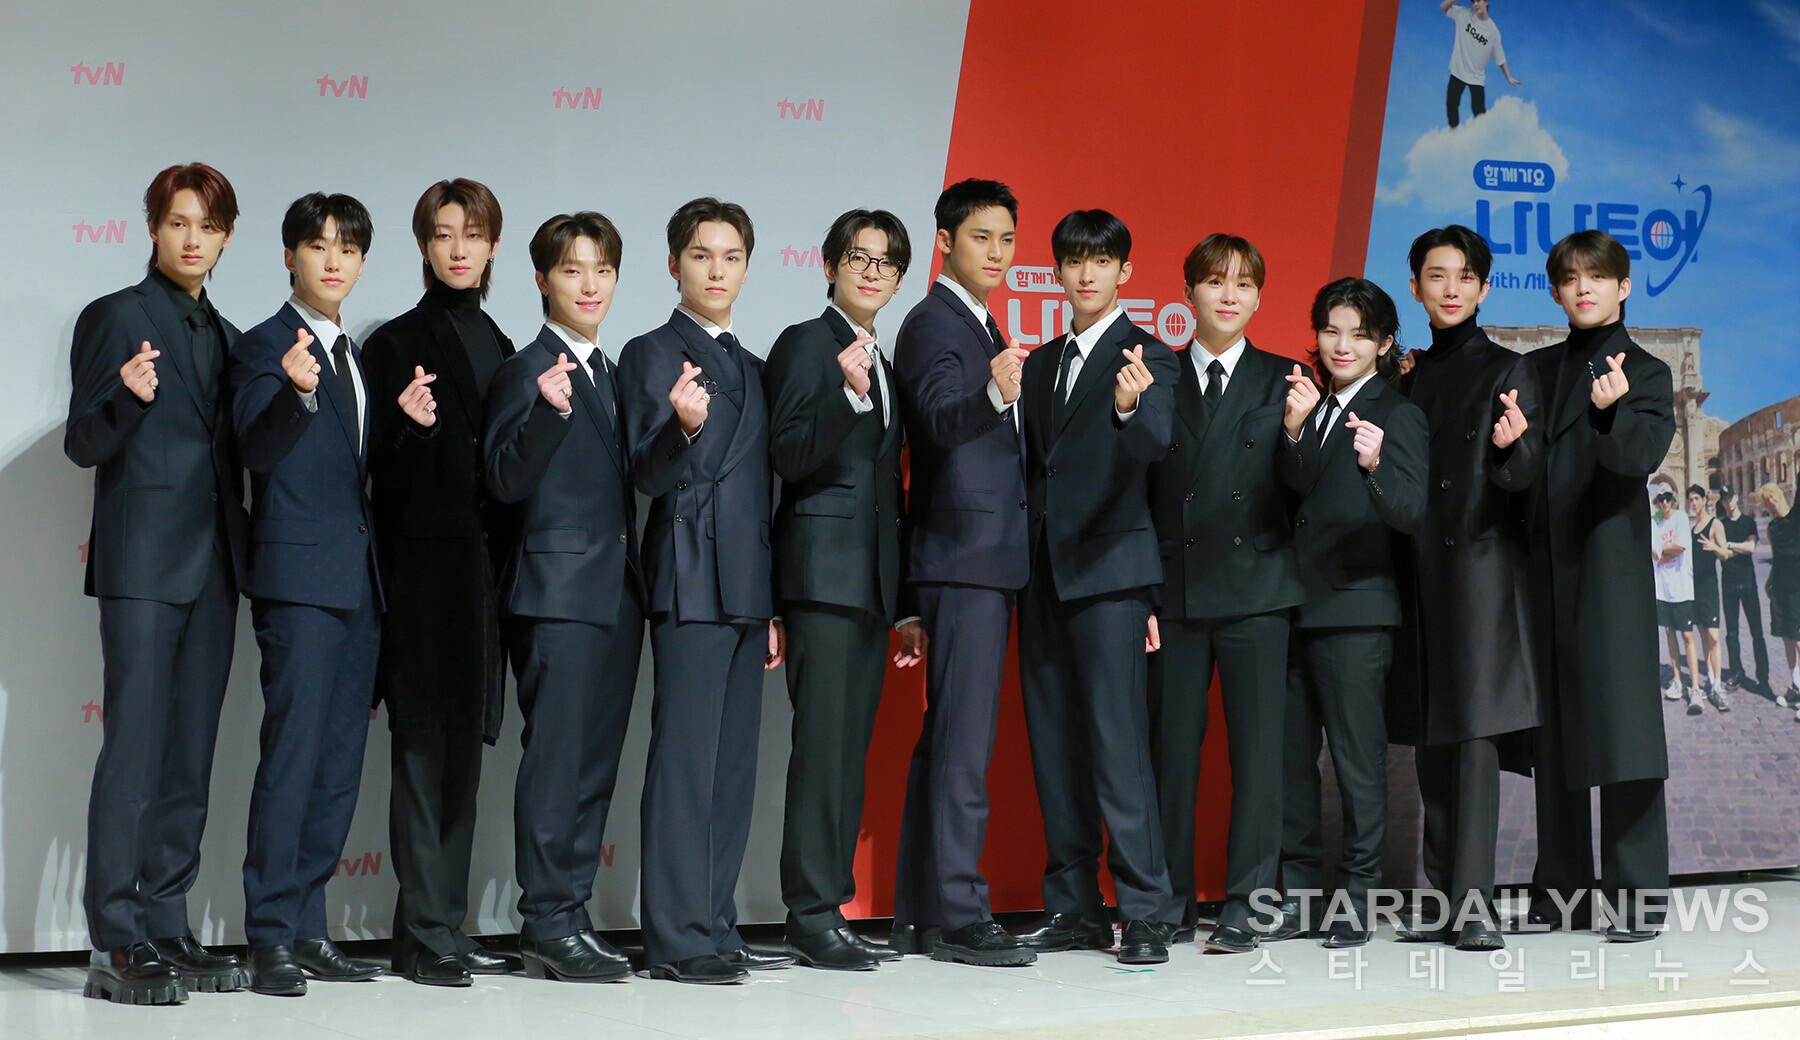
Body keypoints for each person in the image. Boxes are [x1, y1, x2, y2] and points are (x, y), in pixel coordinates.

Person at [66, 163, 251, 1004]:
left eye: (207, 226)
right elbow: (82, 443)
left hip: (215, 568)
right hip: (142, 564)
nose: (192, 239)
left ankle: (167, 921)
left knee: (188, 754)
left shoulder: (230, 334)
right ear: (152, 228)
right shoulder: (116, 316)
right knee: (135, 749)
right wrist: (128, 400)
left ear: (226, 237)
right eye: (178, 222)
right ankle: (115, 936)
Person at [231, 193, 416, 994]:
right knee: (294, 757)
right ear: (289, 256)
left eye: (348, 248)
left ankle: (309, 925)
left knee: (339, 764)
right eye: (318, 245)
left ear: (363, 262)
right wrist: (295, 393)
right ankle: (270, 934)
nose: (333, 260)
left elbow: (357, 474)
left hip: (357, 584)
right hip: (298, 582)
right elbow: (255, 449)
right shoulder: (264, 345)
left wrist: (402, 426)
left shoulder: (358, 357)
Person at [616, 197, 791, 985]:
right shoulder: (650, 353)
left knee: (732, 769)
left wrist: (772, 602)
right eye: (700, 255)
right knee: (686, 763)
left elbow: (764, 493)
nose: (716, 270)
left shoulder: (755, 367)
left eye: (731, 256)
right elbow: (643, 474)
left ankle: (716, 923)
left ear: (747, 268)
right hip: (687, 574)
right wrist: (680, 429)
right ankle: (676, 936)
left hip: (747, 584)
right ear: (673, 264)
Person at [1014, 210, 1182, 964]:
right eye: (1075, 261)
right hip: (1041, 577)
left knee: (1118, 746)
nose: (1087, 273)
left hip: (1112, 578)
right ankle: (1074, 906)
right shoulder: (1041, 363)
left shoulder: (1151, 355)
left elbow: (1156, 448)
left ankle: (1146, 911)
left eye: (1102, 261)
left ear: (1125, 272)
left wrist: (1128, 406)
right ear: (1057, 271)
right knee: (1053, 747)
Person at [362, 178, 518, 986]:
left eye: (474, 234)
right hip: (423, 580)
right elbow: (370, 473)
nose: (460, 249)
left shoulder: (502, 340)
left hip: (485, 580)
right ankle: (427, 934)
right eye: (445, 234)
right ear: (424, 245)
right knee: (424, 754)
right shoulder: (394, 342)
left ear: (493, 246)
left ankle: (439, 924)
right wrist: (407, 428)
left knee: (465, 757)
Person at [484, 211, 645, 983]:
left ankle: (570, 914)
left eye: (602, 270)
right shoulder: (527, 370)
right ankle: (546, 922)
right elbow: (503, 479)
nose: (590, 285)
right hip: (555, 595)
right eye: (573, 269)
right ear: (543, 278)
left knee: (593, 766)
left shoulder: (608, 371)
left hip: (613, 595)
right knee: (557, 765)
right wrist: (548, 415)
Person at [764, 208, 925, 971]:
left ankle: (828, 905)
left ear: (898, 280)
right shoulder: (805, 343)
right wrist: (847, 395)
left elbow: (889, 493)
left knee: (846, 754)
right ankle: (810, 913)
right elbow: (788, 454)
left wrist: (904, 601)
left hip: (869, 586)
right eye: (858, 257)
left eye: (886, 262)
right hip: (821, 579)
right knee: (823, 752)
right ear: (829, 266)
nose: (871, 271)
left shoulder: (883, 362)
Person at [889, 178, 1036, 967]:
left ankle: (924, 914)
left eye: (1007, 238)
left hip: (976, 558)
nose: (999, 252)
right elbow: (940, 421)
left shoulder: (976, 320)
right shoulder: (932, 323)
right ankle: (958, 914)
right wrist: (993, 392)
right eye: (983, 236)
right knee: (962, 746)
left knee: (949, 740)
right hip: (964, 559)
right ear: (945, 242)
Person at [1145, 233, 1304, 954]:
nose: (1229, 295)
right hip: (1175, 592)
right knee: (1171, 755)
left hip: (1258, 591)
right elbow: (1138, 486)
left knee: (1259, 759)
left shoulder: (1287, 379)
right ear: (1188, 293)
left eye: (1243, 282)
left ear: (1260, 297)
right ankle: (1170, 901)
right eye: (1215, 281)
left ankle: (1247, 902)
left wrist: (1299, 435)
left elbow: (1309, 490)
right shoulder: (1156, 374)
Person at [1389, 224, 1542, 952]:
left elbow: (1528, 478)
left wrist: (1514, 452)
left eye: (1463, 277)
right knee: (1432, 739)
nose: (1450, 289)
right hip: (1418, 573)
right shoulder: (1407, 378)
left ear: (1483, 288)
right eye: (1436, 275)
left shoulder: (1510, 370)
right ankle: (1443, 896)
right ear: (1415, 287)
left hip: (1480, 573)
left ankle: (1474, 905)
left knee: (1474, 740)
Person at [1521, 229, 1676, 942]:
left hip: (1609, 572)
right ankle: (1561, 892)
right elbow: (1518, 466)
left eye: (1597, 276)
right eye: (1570, 278)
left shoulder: (1645, 371)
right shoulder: (1536, 369)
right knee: (1552, 739)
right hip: (1542, 570)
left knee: (1624, 732)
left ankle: (1637, 897)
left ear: (1623, 287)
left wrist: (1611, 412)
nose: (1583, 287)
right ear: (1557, 291)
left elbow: (1640, 456)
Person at [1276, 278, 1427, 949]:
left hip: (1358, 613)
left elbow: (1410, 512)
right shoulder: (1305, 404)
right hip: (1289, 608)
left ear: (1384, 344)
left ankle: (1358, 901)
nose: (1342, 345)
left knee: (1358, 765)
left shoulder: (1399, 414)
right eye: (1331, 331)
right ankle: (1299, 898)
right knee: (1290, 764)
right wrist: (1292, 432)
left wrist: (1374, 465)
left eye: (1359, 335)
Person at [1651, 489, 1703, 716]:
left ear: (1673, 500)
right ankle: (1678, 679)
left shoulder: (1681, 518)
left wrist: (1660, 552)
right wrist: (1661, 554)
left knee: (1688, 636)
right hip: (1664, 589)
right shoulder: (1657, 525)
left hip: (1681, 588)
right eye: (1660, 500)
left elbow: (1678, 548)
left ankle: (1696, 687)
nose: (1664, 503)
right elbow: (1656, 554)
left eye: (1667, 499)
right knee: (1669, 633)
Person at [1717, 486, 1769, 695]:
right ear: (1722, 502)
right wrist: (1738, 547)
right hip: (1728, 583)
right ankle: (1736, 672)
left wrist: (1729, 544)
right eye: (1724, 499)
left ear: (1736, 498)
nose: (1728, 501)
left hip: (1748, 582)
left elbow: (1751, 547)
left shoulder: (1748, 521)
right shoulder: (1720, 524)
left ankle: (1763, 677)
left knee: (1757, 632)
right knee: (1731, 633)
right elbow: (1722, 554)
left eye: (1730, 497)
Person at [1441, 0, 1520, 128]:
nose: (1476, 4)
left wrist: (1508, 77)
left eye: (1479, 0)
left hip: (1476, 77)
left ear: (1486, 2)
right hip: (1458, 71)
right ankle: (1453, 132)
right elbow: (1443, 7)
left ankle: (1482, 137)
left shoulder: (1493, 31)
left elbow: (1500, 57)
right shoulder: (1463, 14)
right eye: (1473, 1)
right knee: (1451, 104)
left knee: (1479, 114)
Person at [1688, 484, 1730, 711]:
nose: (1694, 503)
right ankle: (1712, 680)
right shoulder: (1693, 528)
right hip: (1694, 589)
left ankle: (1718, 685)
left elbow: (1726, 554)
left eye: (1697, 498)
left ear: (1705, 500)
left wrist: (1714, 546)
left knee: (1714, 637)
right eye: (1691, 500)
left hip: (1709, 587)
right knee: (1703, 634)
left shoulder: (1715, 524)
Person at [1761, 483, 1800, 719]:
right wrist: (1769, 581)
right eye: (1767, 501)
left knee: (1799, 640)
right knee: (1787, 637)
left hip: (1797, 586)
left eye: (1773, 497)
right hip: (1781, 585)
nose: (1771, 503)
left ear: (1780, 495)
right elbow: (1776, 558)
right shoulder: (1772, 527)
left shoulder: (1795, 518)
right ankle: (1796, 686)